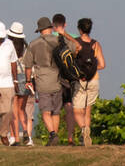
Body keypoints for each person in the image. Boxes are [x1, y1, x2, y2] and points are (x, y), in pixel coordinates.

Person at [23, 17, 65, 145]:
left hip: (42, 81)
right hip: (58, 79)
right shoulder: (59, 40)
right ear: (51, 28)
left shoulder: (33, 44)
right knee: (56, 112)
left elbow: (28, 66)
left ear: (40, 30)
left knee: (46, 112)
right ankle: (54, 137)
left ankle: (52, 134)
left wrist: (28, 80)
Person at [70, 18, 105, 145]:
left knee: (77, 110)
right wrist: (92, 70)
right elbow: (102, 64)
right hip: (94, 79)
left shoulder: (76, 44)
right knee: (87, 110)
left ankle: (84, 129)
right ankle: (85, 134)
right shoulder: (96, 44)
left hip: (80, 80)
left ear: (79, 29)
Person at [52, 14, 79, 143]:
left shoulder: (50, 39)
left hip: (54, 77)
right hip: (69, 78)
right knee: (69, 107)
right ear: (65, 24)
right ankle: (70, 137)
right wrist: (66, 34)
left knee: (54, 109)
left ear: (53, 25)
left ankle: (54, 135)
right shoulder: (72, 39)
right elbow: (78, 48)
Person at [8, 23, 34, 145]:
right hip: (25, 79)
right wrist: (30, 81)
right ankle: (26, 133)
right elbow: (31, 66)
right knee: (22, 109)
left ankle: (15, 138)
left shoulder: (8, 47)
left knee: (13, 110)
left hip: (13, 79)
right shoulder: (27, 48)